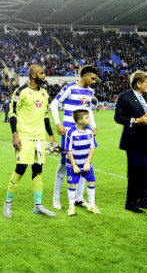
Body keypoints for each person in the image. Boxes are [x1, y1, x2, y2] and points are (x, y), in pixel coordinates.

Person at [3, 65, 57, 218]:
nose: (44, 75)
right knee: (20, 169)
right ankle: (7, 205)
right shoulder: (21, 92)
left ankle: (38, 205)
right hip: (24, 136)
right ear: (33, 75)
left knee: (38, 170)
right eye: (41, 73)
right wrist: (14, 134)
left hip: (40, 138)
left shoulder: (44, 93)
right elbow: (12, 113)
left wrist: (51, 135)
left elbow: (45, 116)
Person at [50, 65, 99, 210]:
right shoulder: (69, 88)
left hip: (84, 132)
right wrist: (58, 123)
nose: (94, 81)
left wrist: (94, 125)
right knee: (65, 163)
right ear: (84, 76)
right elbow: (54, 104)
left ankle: (79, 198)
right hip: (69, 132)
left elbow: (88, 110)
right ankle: (56, 197)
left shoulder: (90, 91)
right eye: (92, 78)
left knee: (84, 163)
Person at [114, 70, 147, 213]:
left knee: (146, 172)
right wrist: (137, 120)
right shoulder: (124, 97)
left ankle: (143, 200)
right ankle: (131, 203)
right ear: (138, 84)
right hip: (133, 141)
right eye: (146, 82)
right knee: (134, 173)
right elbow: (118, 117)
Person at [65, 109, 100, 216]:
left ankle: (92, 205)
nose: (89, 119)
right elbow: (68, 150)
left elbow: (92, 147)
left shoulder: (90, 131)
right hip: (73, 165)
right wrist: (74, 165)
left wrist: (87, 162)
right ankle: (71, 207)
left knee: (91, 182)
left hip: (86, 163)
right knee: (72, 184)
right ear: (80, 120)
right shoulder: (71, 133)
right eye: (87, 118)